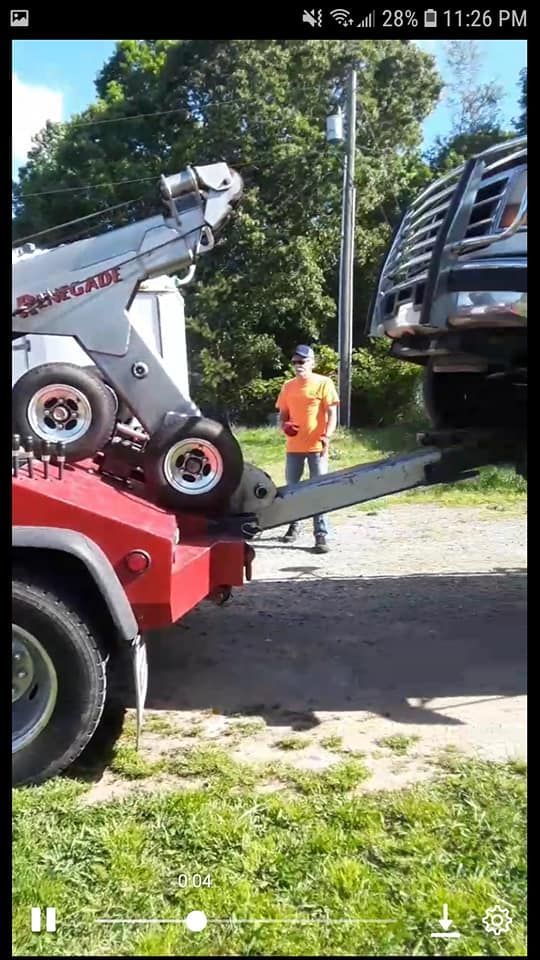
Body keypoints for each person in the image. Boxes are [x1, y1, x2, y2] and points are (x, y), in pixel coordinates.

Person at [275, 344, 339, 553]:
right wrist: (284, 426)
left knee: (319, 490)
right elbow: (282, 415)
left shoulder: (324, 383)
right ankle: (294, 525)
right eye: (295, 362)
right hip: (294, 447)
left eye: (302, 361)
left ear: (312, 362)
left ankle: (321, 534)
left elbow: (332, 414)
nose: (298, 365)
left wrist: (327, 436)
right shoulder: (288, 386)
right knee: (292, 489)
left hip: (316, 446)